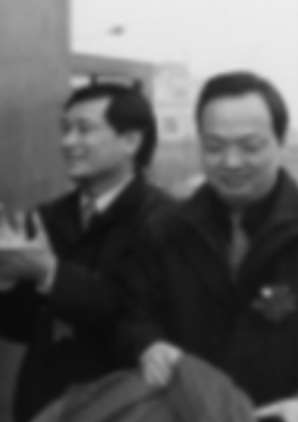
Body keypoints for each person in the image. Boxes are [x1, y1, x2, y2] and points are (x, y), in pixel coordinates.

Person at [0, 84, 172, 422]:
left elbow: (135, 316)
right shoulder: (48, 217)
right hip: (44, 405)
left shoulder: (166, 222)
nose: (67, 142)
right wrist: (3, 275)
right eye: (65, 129)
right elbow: (16, 328)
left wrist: (51, 274)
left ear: (130, 141)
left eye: (84, 129)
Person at [118, 72, 298, 422]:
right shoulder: (166, 231)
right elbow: (131, 315)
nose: (231, 162)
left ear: (281, 141)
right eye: (214, 147)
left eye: (250, 146)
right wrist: (147, 346)